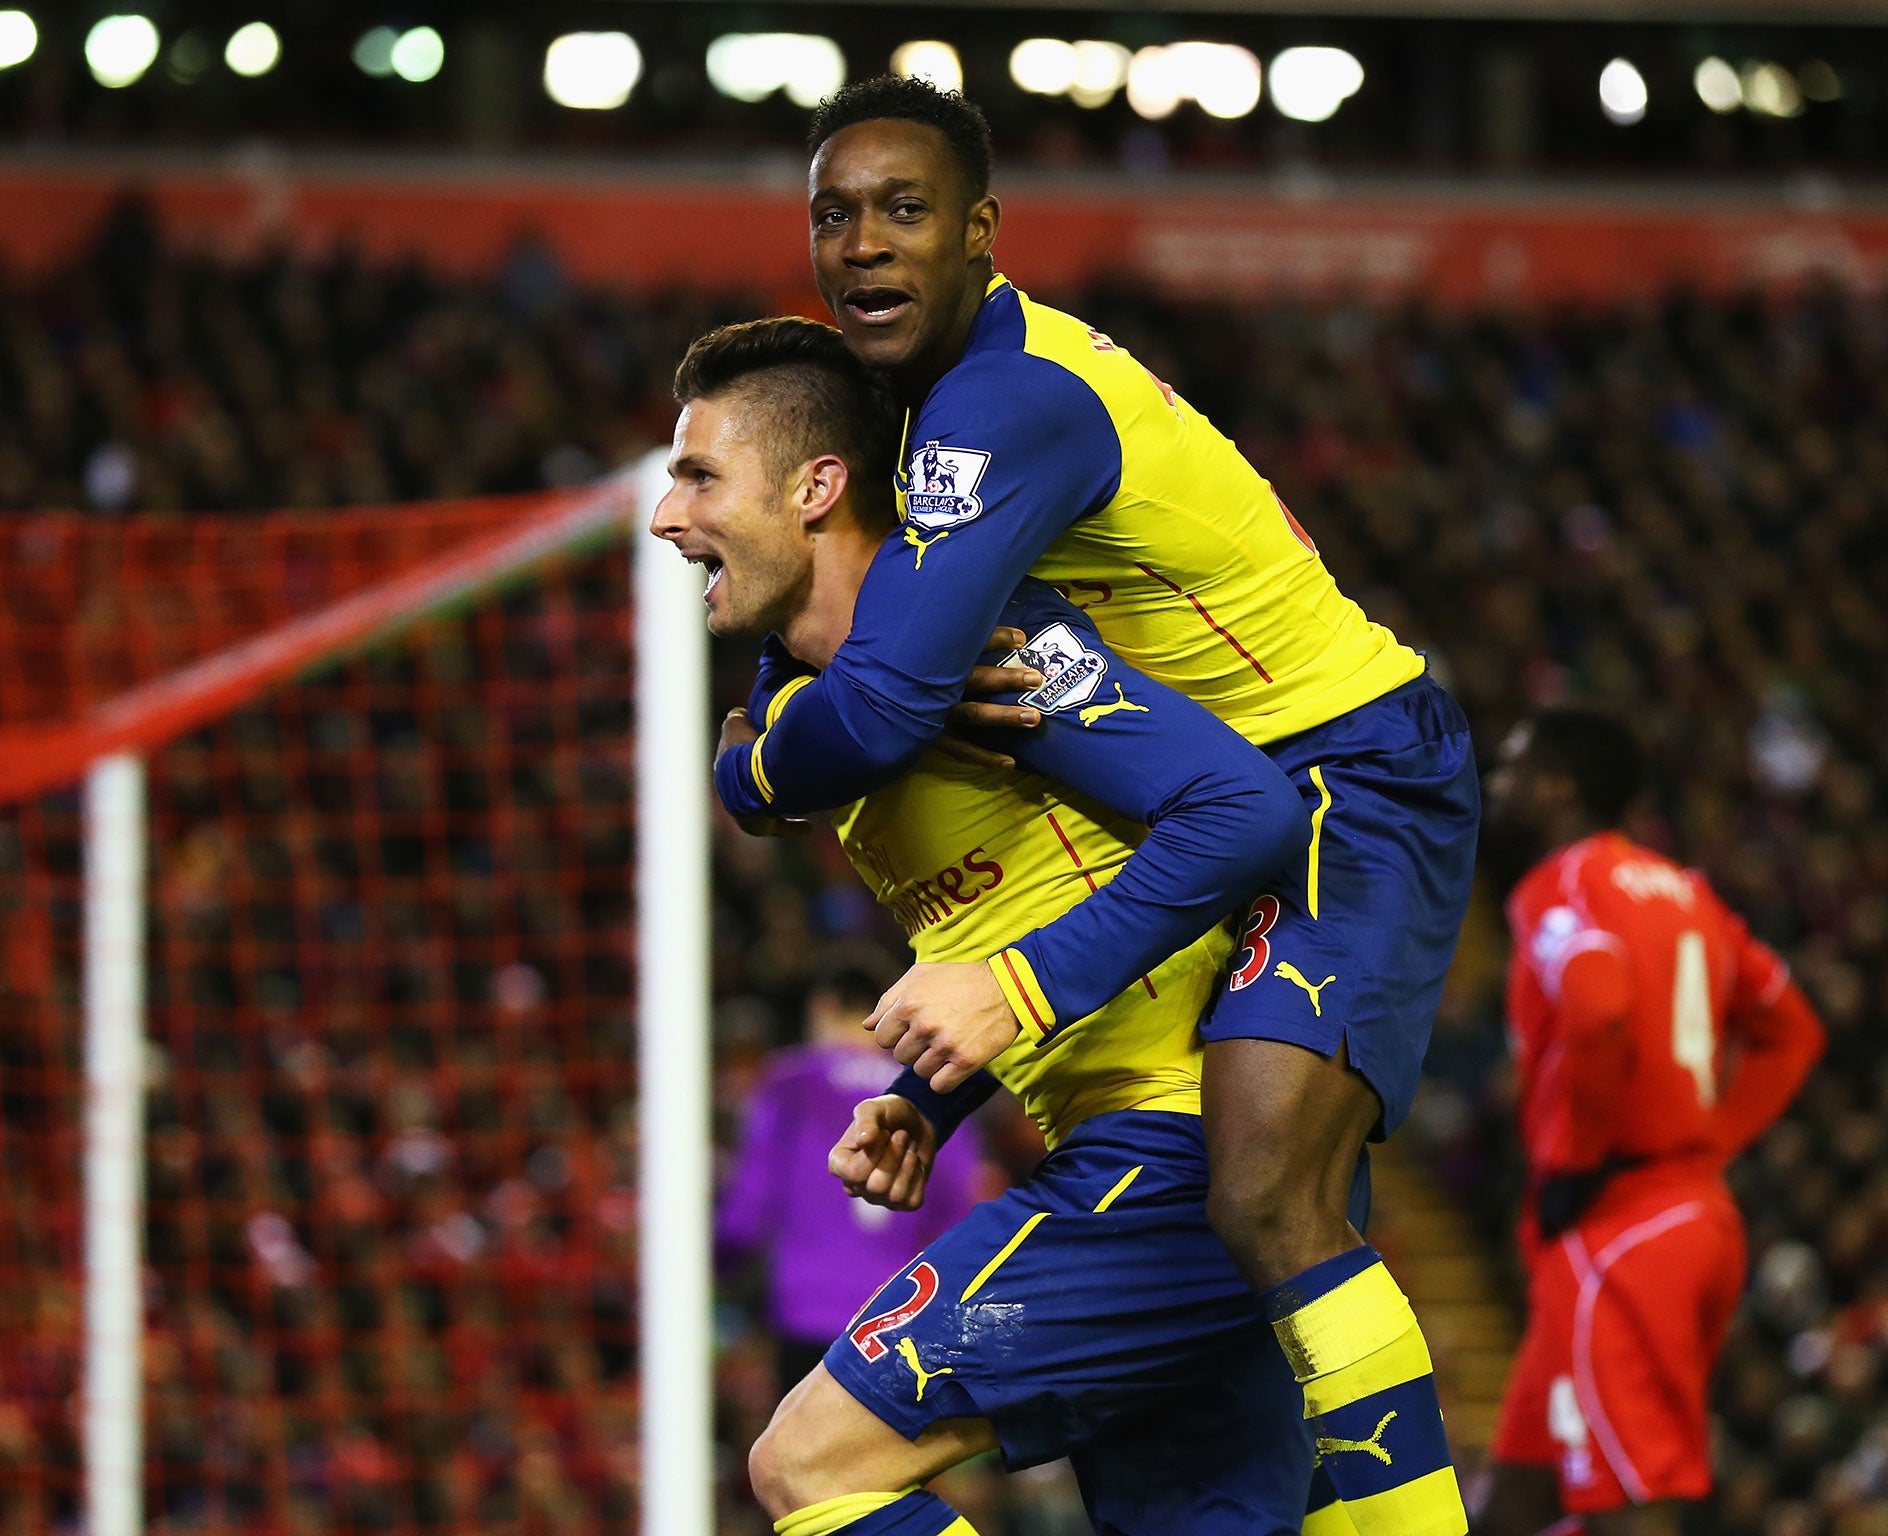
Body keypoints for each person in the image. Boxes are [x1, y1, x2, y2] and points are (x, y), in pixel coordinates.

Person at [709, 77, 1479, 1533]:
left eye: (904, 210)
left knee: (1260, 1190)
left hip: (1352, 769)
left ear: (985, 234)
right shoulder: (935, 411)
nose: (861, 243)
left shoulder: (1000, 406)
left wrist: (749, 767)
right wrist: (940, 1090)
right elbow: (874, 672)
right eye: (833, 214)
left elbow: (871, 706)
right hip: (1249, 793)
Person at [1475, 709, 1826, 1536]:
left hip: (1619, 1227)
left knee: (1632, 1504)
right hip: (1684, 1214)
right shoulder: (1691, 894)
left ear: (1558, 788)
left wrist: (1583, 1159)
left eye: (1515, 767)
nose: (1499, 784)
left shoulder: (1560, 883)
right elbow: (1793, 1028)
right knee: (1519, 1498)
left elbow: (1597, 1008)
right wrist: (1710, 1143)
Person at [717, 968, 982, 1396]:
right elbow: (960, 1214)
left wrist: (719, 1274)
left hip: (807, 1311)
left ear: (823, 1006)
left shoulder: (791, 1082)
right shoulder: (932, 1092)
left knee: (798, 1456)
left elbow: (747, 1211)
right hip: (898, 1319)